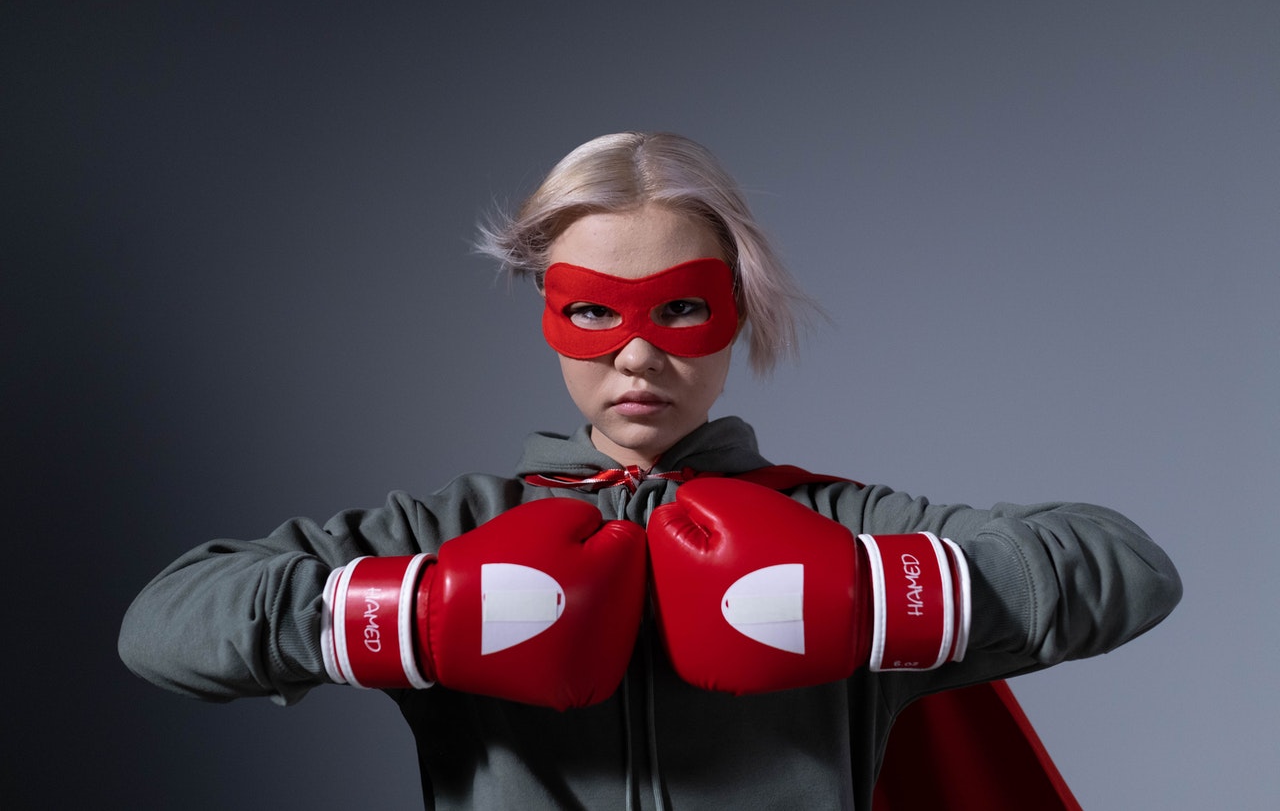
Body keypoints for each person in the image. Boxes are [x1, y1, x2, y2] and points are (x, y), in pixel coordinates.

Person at [119, 131, 1182, 810]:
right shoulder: (446, 532)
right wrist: (409, 614)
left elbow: (1125, 567)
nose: (636, 353)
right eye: (593, 309)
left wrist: (874, 596)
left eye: (678, 306)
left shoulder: (839, 522)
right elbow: (163, 625)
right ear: (549, 314)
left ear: (736, 316)